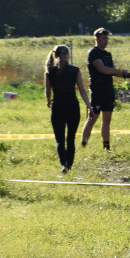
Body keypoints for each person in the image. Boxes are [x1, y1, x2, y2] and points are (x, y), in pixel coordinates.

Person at [81, 28, 130, 152]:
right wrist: (121, 71)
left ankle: (106, 147)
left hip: (108, 90)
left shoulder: (108, 54)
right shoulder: (93, 53)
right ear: (96, 39)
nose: (106, 41)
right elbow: (103, 69)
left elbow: (113, 71)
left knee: (107, 119)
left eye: (107, 38)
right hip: (97, 91)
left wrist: (128, 75)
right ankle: (83, 144)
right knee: (92, 118)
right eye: (103, 38)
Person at [44, 45, 92, 173]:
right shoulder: (75, 70)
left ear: (56, 56)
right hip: (72, 107)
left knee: (60, 140)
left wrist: (48, 102)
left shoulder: (49, 72)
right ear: (67, 56)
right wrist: (89, 107)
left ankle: (63, 165)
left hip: (57, 108)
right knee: (70, 139)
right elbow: (82, 91)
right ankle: (69, 166)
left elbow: (47, 92)